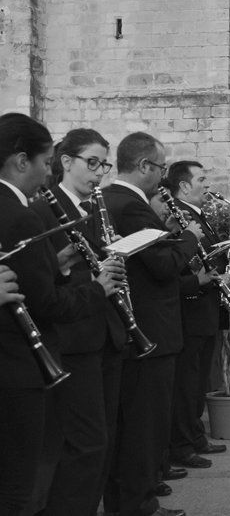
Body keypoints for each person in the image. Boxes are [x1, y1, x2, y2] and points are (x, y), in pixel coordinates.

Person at [0, 113, 120, 516]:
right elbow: (47, 303)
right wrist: (98, 289)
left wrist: (58, 263)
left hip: (29, 358)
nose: (47, 172)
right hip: (21, 363)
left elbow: (30, 281)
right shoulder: (20, 215)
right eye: (46, 161)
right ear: (21, 161)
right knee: (23, 480)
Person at [102, 131, 202, 516]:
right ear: (144, 166)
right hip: (150, 329)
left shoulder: (109, 200)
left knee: (130, 424)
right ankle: (137, 503)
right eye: (160, 168)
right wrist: (189, 239)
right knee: (143, 425)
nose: (163, 177)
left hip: (135, 326)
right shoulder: (132, 206)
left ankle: (128, 498)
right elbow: (162, 267)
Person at [31, 129, 130, 516]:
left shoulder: (90, 208)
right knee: (82, 445)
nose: (99, 172)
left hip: (103, 335)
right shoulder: (44, 211)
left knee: (99, 442)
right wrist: (90, 279)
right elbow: (42, 280)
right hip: (73, 340)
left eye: (103, 164)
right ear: (65, 161)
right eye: (92, 162)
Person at [164, 161, 229, 471]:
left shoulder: (197, 213)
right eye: (201, 179)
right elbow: (177, 262)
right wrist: (200, 279)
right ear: (184, 186)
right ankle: (182, 443)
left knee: (198, 379)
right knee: (188, 382)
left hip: (205, 307)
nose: (207, 184)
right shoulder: (176, 215)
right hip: (191, 309)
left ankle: (194, 435)